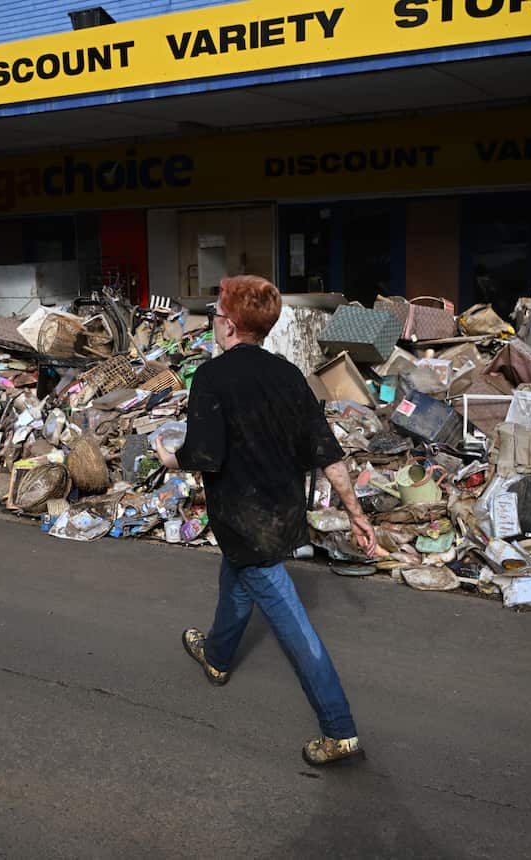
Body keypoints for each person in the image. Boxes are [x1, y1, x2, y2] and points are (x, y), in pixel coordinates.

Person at [152, 274, 377, 767]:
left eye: (215, 315)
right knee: (235, 578)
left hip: (243, 519)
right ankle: (217, 656)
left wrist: (166, 454)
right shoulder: (289, 376)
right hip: (281, 515)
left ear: (229, 324)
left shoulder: (212, 378)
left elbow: (203, 455)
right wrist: (356, 514)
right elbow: (328, 453)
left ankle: (339, 730)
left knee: (292, 625)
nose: (212, 322)